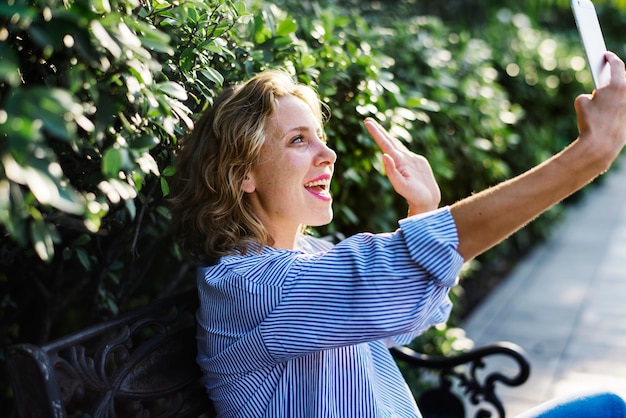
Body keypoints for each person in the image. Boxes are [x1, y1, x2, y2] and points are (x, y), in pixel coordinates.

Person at [169, 52, 626, 418]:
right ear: (243, 173)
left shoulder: (308, 255)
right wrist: (589, 156)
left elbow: (409, 315)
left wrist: (424, 211)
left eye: (320, 136)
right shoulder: (247, 286)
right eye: (297, 140)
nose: (327, 153)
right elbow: (392, 277)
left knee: (608, 406)